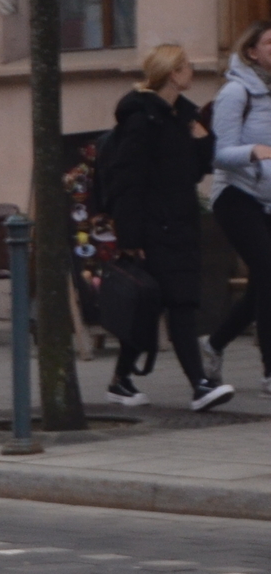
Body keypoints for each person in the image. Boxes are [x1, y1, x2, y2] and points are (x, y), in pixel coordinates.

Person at [98, 42, 227, 409]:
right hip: (154, 226)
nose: (192, 71)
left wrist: (203, 138)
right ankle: (200, 385)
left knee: (155, 305)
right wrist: (130, 236)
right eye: (186, 65)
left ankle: (121, 379)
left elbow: (198, 169)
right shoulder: (142, 120)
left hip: (181, 222)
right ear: (173, 72)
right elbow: (128, 181)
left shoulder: (182, 117)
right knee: (178, 303)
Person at [207, 20, 271, 395]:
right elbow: (220, 155)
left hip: (267, 198)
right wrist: (254, 151)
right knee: (268, 272)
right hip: (236, 196)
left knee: (263, 284)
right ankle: (269, 372)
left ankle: (213, 344)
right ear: (252, 52)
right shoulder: (236, 92)